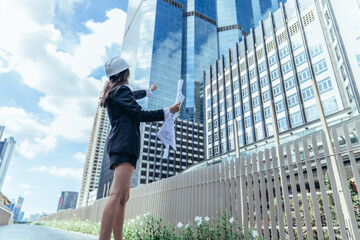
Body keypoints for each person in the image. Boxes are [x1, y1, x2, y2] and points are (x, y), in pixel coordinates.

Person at [99, 57, 181, 240]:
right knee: (116, 194)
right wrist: (168, 110)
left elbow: (131, 95)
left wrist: (147, 91)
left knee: (123, 197)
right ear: (124, 73)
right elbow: (139, 114)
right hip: (124, 144)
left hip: (124, 144)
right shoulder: (121, 91)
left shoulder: (117, 91)